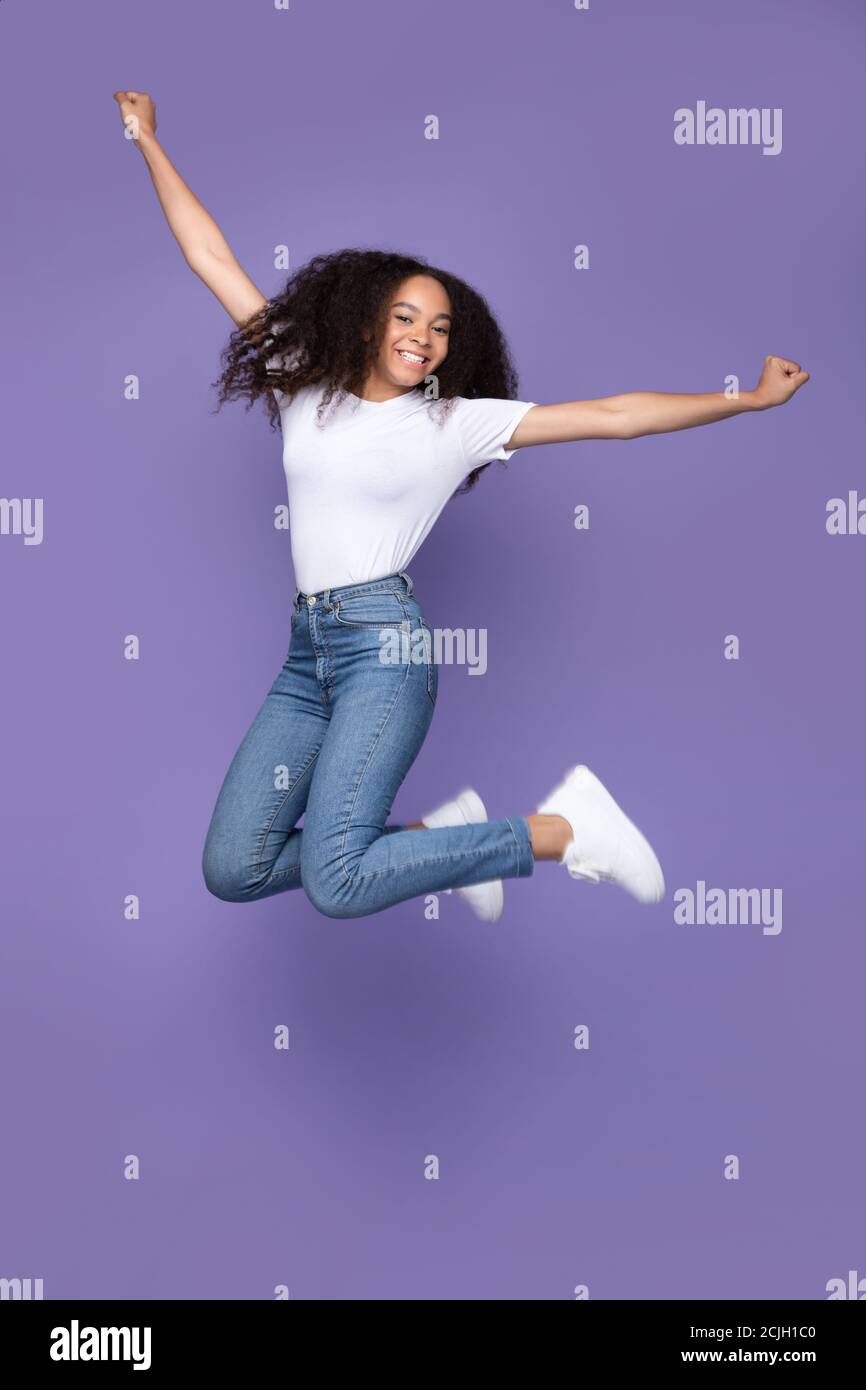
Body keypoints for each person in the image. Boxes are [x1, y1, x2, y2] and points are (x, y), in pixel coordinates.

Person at [113, 90, 810, 924]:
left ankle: (560, 830)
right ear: (365, 321)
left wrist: (746, 402)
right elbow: (210, 258)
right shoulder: (304, 377)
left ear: (455, 346)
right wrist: (148, 139)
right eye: (405, 316)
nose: (422, 335)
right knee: (235, 865)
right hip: (310, 656)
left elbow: (616, 417)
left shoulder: (454, 423)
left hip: (384, 651)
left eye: (441, 327)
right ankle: (442, 837)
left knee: (337, 883)